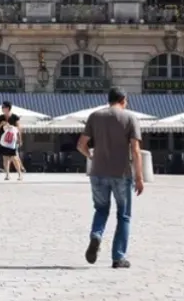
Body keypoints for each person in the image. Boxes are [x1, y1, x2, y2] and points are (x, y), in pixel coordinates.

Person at [77, 87, 144, 269]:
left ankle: (96, 236)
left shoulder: (95, 116)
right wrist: (139, 177)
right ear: (123, 99)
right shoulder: (130, 118)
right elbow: (135, 151)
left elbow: (81, 144)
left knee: (101, 209)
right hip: (121, 173)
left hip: (98, 172)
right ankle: (118, 257)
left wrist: (90, 156)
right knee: (124, 215)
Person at [0, 114, 24, 181]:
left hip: (11, 145)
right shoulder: (6, 127)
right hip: (6, 144)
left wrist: (20, 140)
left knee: (14, 159)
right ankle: (8, 175)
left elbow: (18, 132)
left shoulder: (15, 128)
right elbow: (5, 128)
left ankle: (19, 174)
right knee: (6, 159)